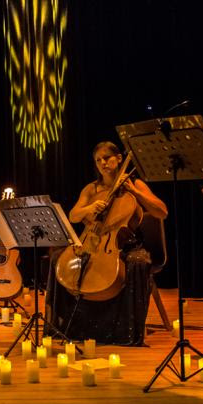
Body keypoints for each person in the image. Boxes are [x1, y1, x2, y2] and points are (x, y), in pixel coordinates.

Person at [49, 141, 168, 346]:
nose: (102, 163)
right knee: (56, 259)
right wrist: (90, 208)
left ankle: (125, 330)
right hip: (92, 241)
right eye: (98, 160)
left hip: (125, 244)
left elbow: (161, 212)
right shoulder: (91, 189)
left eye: (107, 157)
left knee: (138, 263)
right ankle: (65, 324)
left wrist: (135, 192)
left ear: (119, 158)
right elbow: (74, 216)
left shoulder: (135, 184)